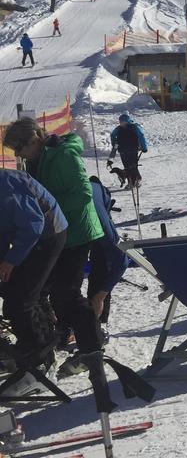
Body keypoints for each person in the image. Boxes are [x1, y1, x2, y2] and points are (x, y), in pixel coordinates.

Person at [1, 119, 105, 374]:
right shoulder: (38, 159)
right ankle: (46, 344)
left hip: (75, 233)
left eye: (18, 148)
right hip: (52, 231)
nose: (17, 155)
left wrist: (46, 204)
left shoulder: (64, 156)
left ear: (33, 139)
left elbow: (83, 193)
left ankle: (91, 349)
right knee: (36, 291)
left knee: (65, 294)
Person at [0, 170, 68, 377]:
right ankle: (34, 344)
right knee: (10, 291)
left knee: (22, 299)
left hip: (47, 236)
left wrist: (10, 261)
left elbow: (33, 226)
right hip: (23, 236)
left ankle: (40, 361)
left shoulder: (7, 184)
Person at [85, 179, 129, 331]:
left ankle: (95, 322)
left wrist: (100, 297)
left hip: (93, 207)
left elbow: (121, 261)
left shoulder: (98, 221)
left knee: (101, 263)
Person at [108, 113, 147, 188]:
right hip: (123, 150)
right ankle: (131, 182)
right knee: (127, 167)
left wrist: (144, 147)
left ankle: (136, 180)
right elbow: (113, 135)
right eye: (121, 122)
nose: (122, 124)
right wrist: (114, 145)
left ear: (128, 121)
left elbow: (141, 136)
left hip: (133, 149)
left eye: (123, 122)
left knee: (133, 166)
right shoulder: (119, 129)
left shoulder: (134, 127)